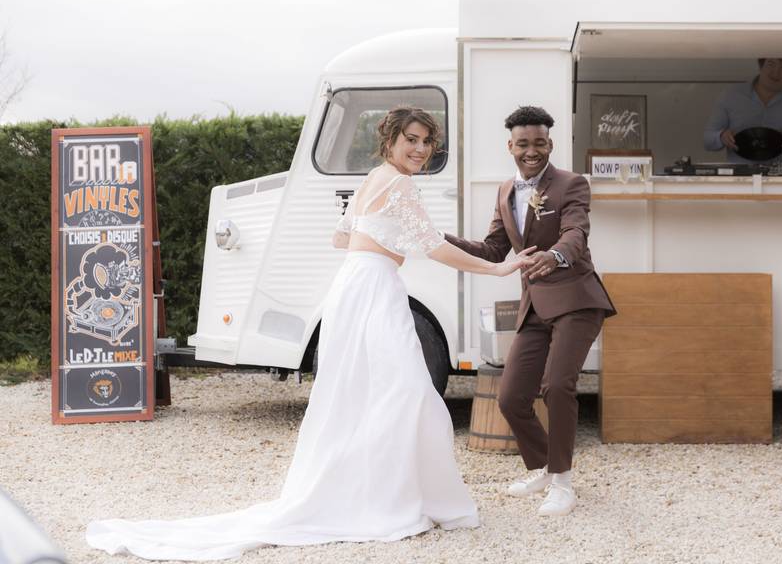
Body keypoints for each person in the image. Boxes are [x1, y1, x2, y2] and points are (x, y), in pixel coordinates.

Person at [86, 107, 535, 561]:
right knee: (408, 392)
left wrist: (385, 241)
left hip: (352, 286)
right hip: (374, 289)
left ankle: (382, 493)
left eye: (426, 143)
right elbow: (435, 248)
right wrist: (497, 267)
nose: (419, 150)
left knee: (362, 394)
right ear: (391, 141)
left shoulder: (373, 178)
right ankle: (399, 500)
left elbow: (340, 239)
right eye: (411, 140)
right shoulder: (398, 183)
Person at [445, 106, 616, 517]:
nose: (532, 150)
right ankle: (542, 466)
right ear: (511, 146)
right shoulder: (505, 191)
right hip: (534, 307)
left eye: (539, 143)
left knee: (557, 385)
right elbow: (492, 249)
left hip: (576, 300)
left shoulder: (571, 184)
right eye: (523, 143)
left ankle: (562, 482)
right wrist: (439, 238)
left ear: (550, 144)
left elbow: (576, 232)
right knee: (510, 399)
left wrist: (556, 255)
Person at [703, 58, 782, 163]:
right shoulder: (731, 94)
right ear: (761, 65)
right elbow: (708, 140)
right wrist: (721, 136)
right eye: (771, 63)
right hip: (740, 178)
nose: (776, 72)